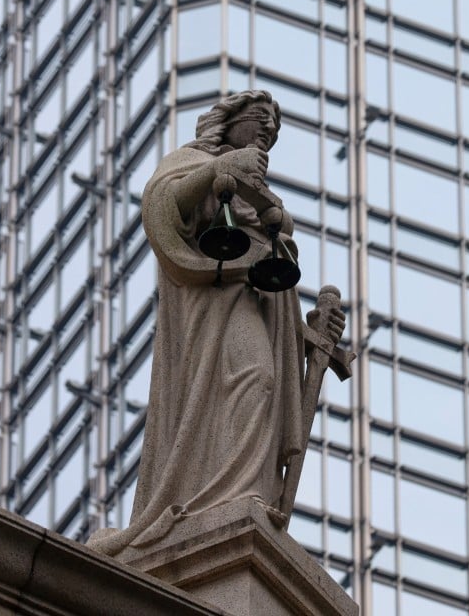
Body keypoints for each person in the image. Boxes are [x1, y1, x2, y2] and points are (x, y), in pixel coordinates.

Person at [88, 90, 338, 557]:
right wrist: (216, 171)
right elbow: (163, 206)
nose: (268, 130)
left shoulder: (265, 196)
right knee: (254, 378)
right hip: (214, 301)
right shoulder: (191, 159)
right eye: (260, 119)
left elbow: (276, 276)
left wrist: (316, 336)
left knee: (262, 382)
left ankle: (246, 493)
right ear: (230, 120)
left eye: (274, 128)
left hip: (256, 301)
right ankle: (223, 497)